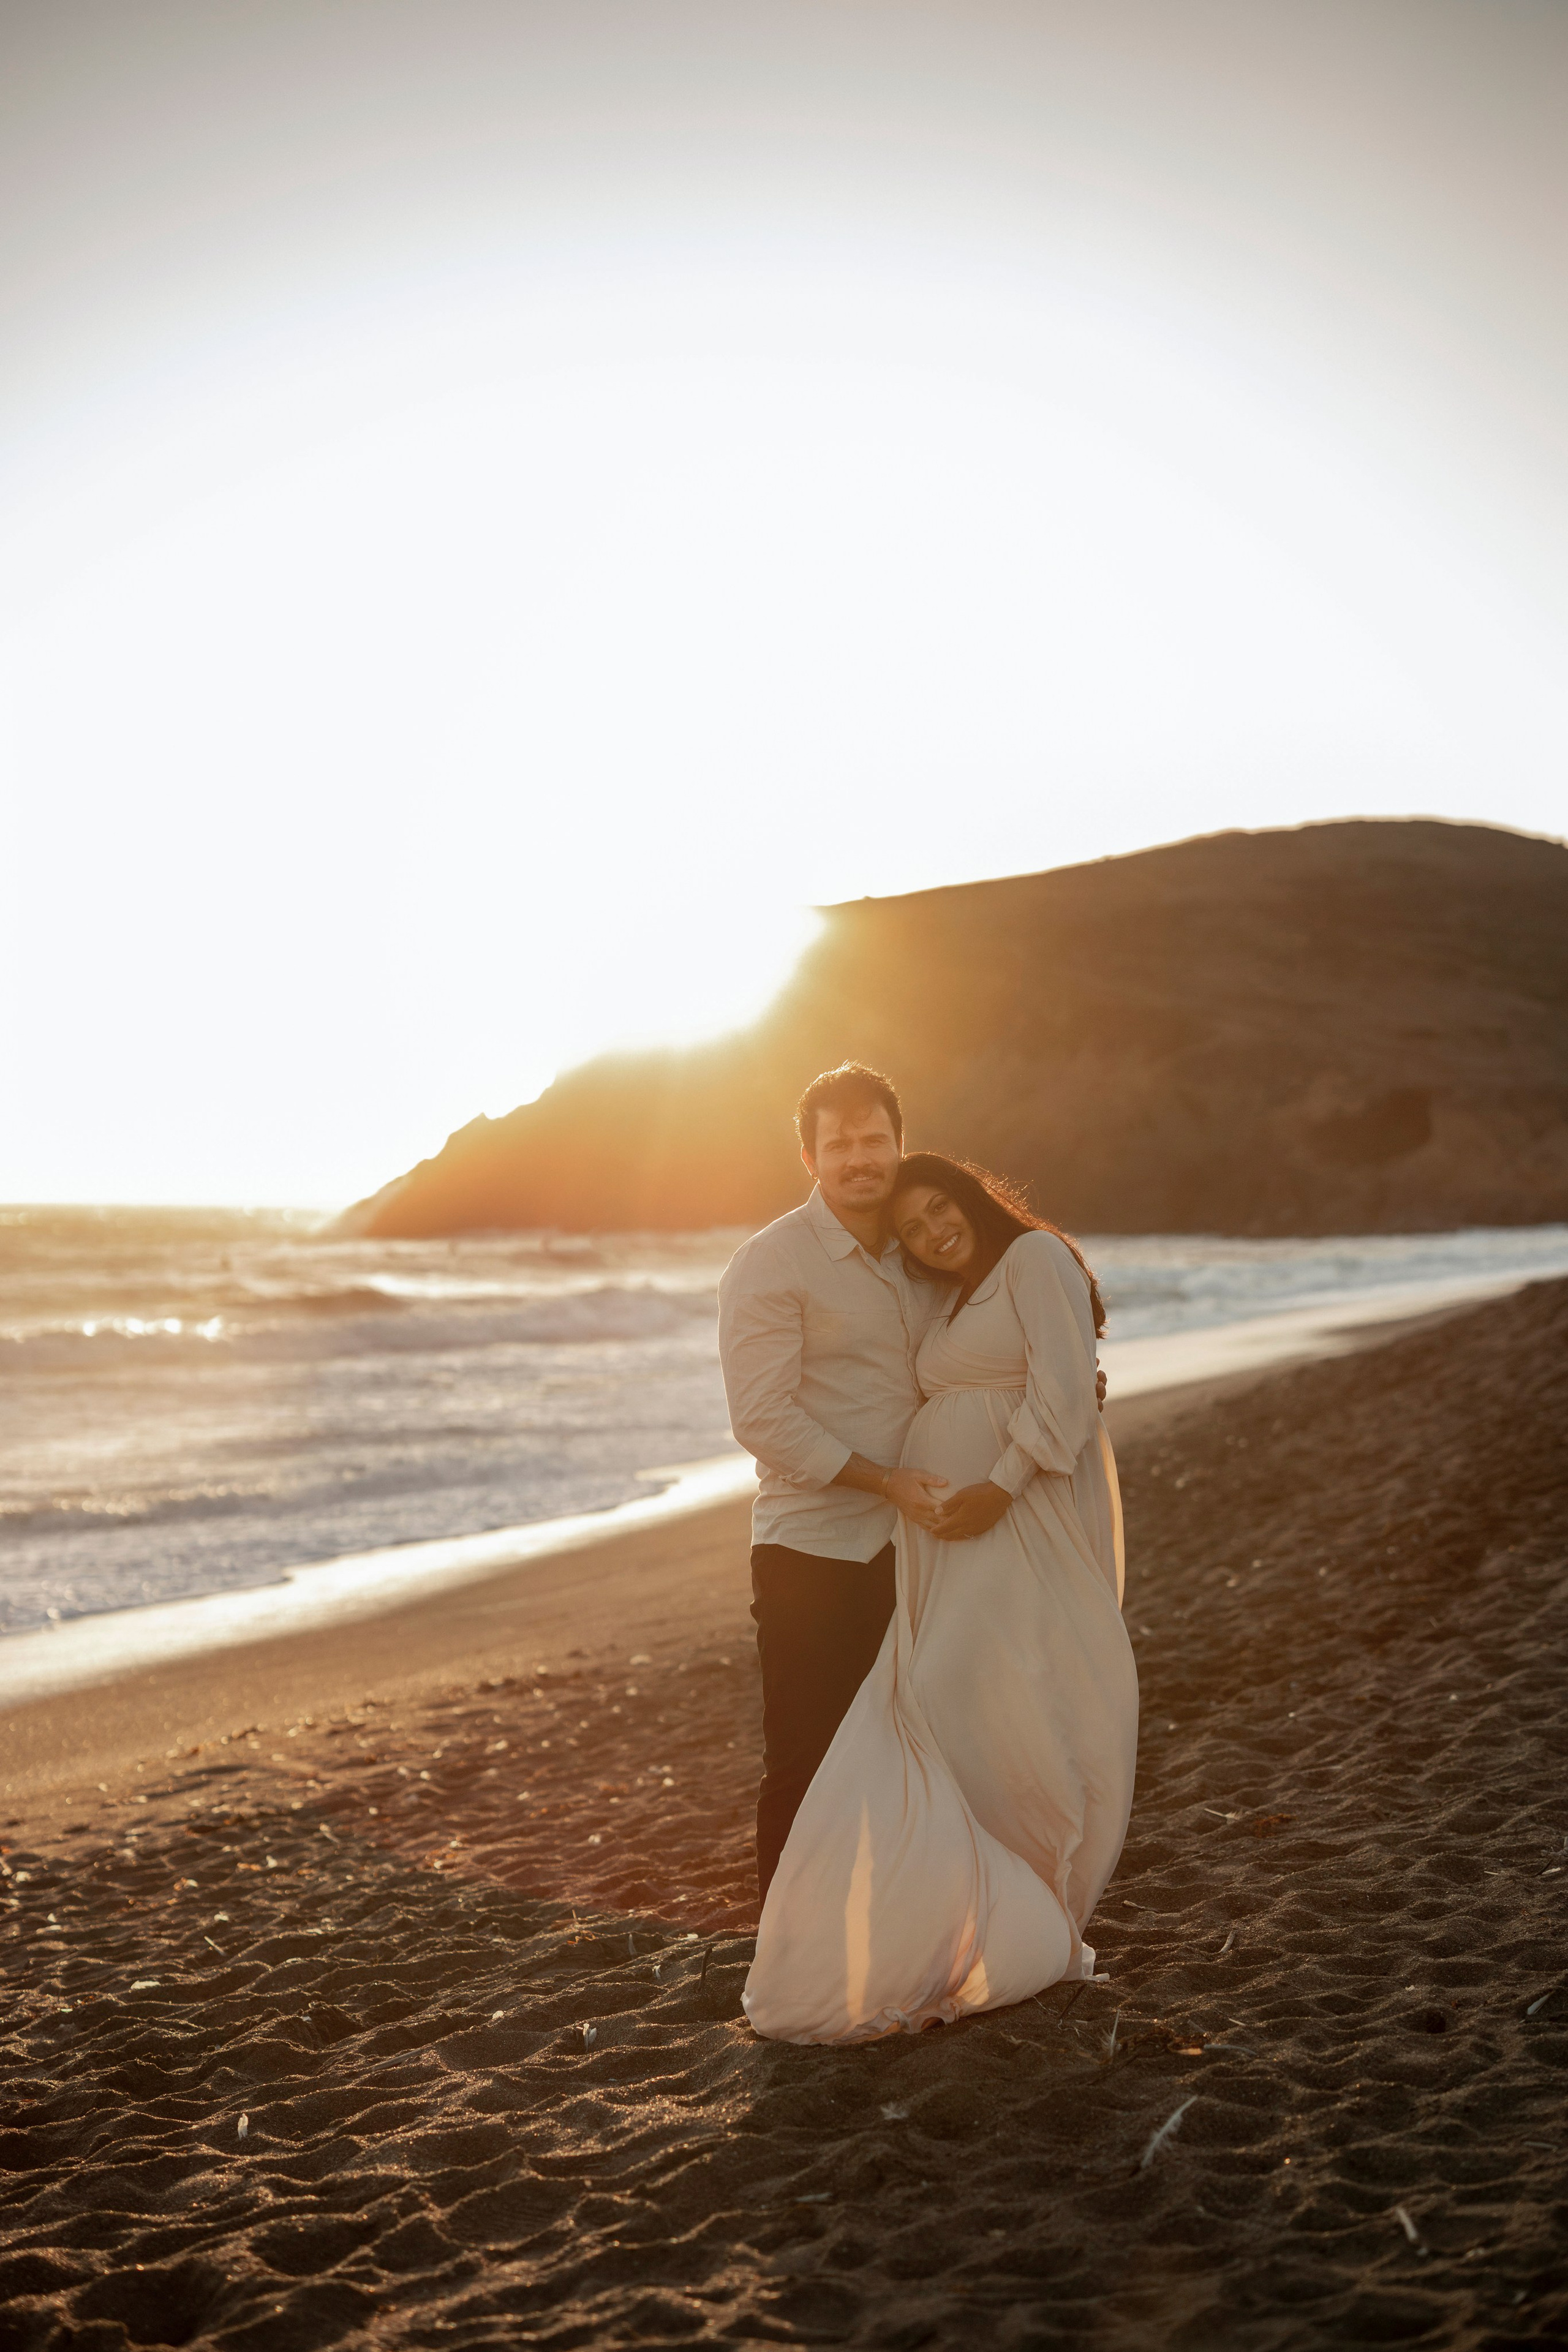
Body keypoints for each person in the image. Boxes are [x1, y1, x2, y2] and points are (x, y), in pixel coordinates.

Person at [741, 1150, 1137, 2045]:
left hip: (1009, 1522)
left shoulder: (1033, 1257)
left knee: (972, 1699)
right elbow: (1043, 1377)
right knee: (941, 1711)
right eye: (913, 1230)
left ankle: (1024, 1900)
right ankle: (933, 1920)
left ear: (972, 1196)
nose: (931, 1233)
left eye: (939, 1211)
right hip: (932, 1542)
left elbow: (1064, 1390)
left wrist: (1001, 1483)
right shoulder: (949, 1294)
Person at [718, 1064, 948, 1903]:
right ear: (810, 1158)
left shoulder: (924, 1249)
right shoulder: (770, 1262)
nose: (860, 1158)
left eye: (874, 1140)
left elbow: (970, 1360)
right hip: (812, 1554)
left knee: (918, 1751)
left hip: (924, 1547)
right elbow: (761, 1418)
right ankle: (789, 1957)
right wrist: (884, 1482)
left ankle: (897, 1936)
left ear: (899, 1145)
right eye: (840, 1144)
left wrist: (1063, 1387)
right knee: (808, 1764)